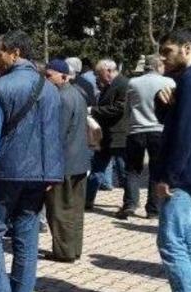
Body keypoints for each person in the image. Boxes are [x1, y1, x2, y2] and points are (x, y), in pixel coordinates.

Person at [0, 31, 63, 292]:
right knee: (27, 235)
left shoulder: (1, 87)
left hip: (6, 170)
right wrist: (52, 174)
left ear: (15, 52)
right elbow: (54, 134)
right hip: (39, 174)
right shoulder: (50, 89)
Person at [149, 30, 191, 292]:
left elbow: (185, 133)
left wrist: (168, 177)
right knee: (187, 240)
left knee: (171, 241)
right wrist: (165, 105)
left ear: (187, 49)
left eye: (168, 51)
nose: (163, 57)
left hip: (186, 174)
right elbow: (178, 121)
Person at [117, 54, 176, 220]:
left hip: (136, 129)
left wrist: (127, 127)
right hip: (159, 130)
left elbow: (127, 108)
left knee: (132, 169)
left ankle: (130, 204)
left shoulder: (133, 83)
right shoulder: (169, 82)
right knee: (156, 170)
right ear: (158, 66)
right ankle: (153, 209)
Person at [43, 60, 89, 263]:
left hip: (64, 164)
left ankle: (64, 251)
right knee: (75, 209)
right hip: (79, 161)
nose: (46, 80)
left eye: (49, 76)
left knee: (60, 210)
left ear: (63, 76)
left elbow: (56, 135)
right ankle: (74, 248)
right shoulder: (77, 94)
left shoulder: (61, 98)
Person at [85, 59, 129, 210]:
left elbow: (119, 108)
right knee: (97, 169)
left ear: (109, 71)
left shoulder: (123, 84)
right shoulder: (108, 85)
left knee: (124, 172)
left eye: (99, 73)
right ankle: (87, 200)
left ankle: (129, 203)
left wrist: (94, 110)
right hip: (106, 136)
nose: (98, 77)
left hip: (119, 135)